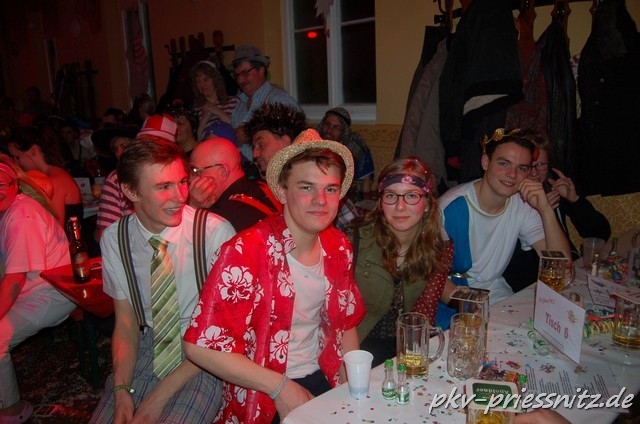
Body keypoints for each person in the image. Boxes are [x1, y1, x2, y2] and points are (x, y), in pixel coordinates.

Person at [183, 129, 365, 423]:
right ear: (282, 192)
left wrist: (351, 384)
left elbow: (345, 323)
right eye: (306, 187)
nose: (320, 200)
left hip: (323, 376)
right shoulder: (245, 251)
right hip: (261, 390)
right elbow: (199, 346)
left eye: (330, 189)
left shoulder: (338, 247)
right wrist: (280, 386)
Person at [89, 138, 236, 423]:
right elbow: (127, 323)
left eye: (182, 182)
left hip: (205, 354)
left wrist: (158, 396)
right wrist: (121, 389)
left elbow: (225, 329)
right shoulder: (115, 239)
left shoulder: (213, 232)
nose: (180, 196)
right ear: (130, 191)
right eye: (163, 187)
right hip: (149, 345)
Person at [438, 128, 570, 306]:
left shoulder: (522, 205)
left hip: (494, 291)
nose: (512, 175)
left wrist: (545, 209)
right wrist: (472, 307)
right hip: (450, 296)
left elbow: (562, 268)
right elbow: (430, 275)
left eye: (521, 168)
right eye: (504, 163)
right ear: (486, 162)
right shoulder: (450, 207)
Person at [353, 157, 456, 365]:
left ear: (427, 204)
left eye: (411, 196)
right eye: (391, 195)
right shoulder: (353, 242)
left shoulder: (438, 248)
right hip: (357, 348)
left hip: (404, 349)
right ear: (381, 202)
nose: (400, 207)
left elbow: (426, 311)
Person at [0, 155, 75, 424]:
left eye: (2, 184)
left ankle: (13, 410)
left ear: (14, 184)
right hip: (31, 290)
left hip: (51, 293)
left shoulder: (22, 215)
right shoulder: (8, 210)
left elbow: (14, 280)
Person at [503, 132, 611, 292]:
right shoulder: (509, 197)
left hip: (571, 272)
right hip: (536, 284)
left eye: (541, 165)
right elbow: (515, 266)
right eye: (529, 166)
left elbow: (601, 234)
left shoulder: (553, 187)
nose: (534, 173)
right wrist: (540, 213)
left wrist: (575, 201)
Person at [188, 137, 279, 231]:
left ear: (223, 172)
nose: (190, 179)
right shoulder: (267, 188)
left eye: (195, 171)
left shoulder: (220, 218)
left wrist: (192, 207)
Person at [6, 125, 83, 227]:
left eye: (17, 157)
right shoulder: (49, 175)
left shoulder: (55, 179)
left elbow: (56, 227)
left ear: (34, 150)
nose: (16, 162)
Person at [230, 45, 301, 150]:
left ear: (261, 70)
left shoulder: (279, 100)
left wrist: (251, 133)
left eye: (245, 73)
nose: (240, 80)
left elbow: (298, 138)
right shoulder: (239, 105)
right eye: (237, 75)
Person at [317, 107, 375, 201]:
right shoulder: (313, 144)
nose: (329, 130)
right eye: (327, 124)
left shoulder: (355, 148)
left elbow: (365, 185)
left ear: (344, 131)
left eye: (335, 127)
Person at [92, 126, 138, 241]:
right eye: (115, 149)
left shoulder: (156, 173)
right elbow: (105, 233)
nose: (118, 153)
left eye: (123, 146)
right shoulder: (115, 180)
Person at [244, 102, 308, 176]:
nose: (255, 154)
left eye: (261, 145)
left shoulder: (307, 177)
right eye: (253, 148)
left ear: (285, 142)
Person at [190, 61, 237, 146]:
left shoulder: (233, 102)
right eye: (198, 81)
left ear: (215, 80)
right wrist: (204, 118)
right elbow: (196, 141)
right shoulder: (196, 108)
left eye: (205, 80)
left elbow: (238, 130)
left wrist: (216, 111)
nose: (202, 84)